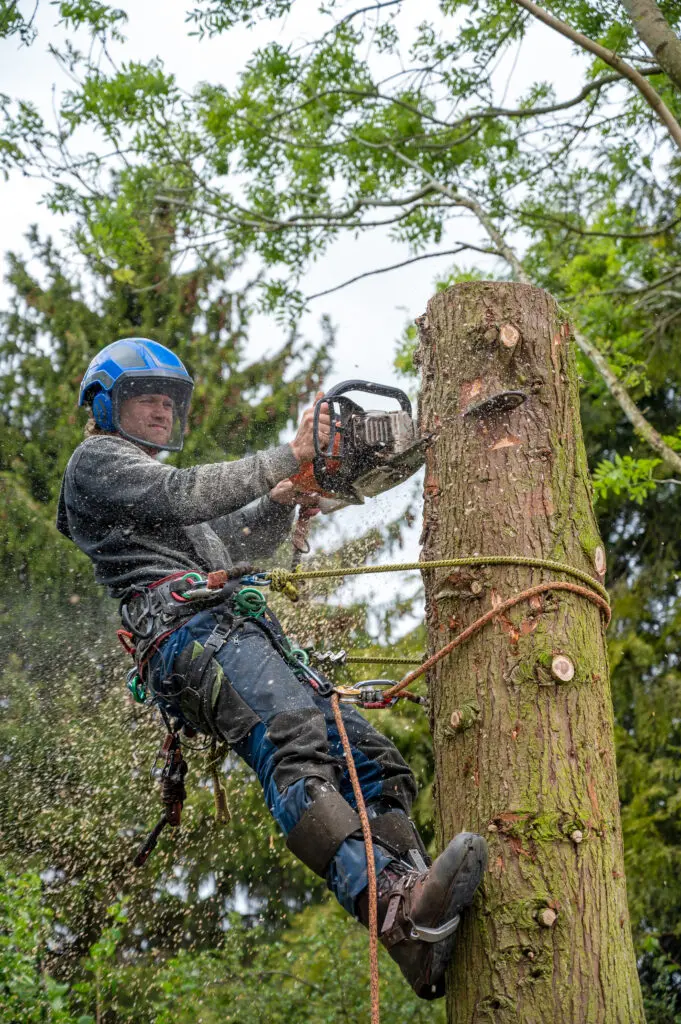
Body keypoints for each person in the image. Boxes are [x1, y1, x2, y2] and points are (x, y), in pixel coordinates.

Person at [56, 337, 487, 1000]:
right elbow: (186, 494)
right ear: (106, 403)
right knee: (293, 739)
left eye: (170, 400)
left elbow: (226, 545)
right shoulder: (99, 463)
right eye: (146, 396)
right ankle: (393, 913)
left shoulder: (147, 494)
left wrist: (283, 499)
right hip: (189, 639)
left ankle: (421, 904)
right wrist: (291, 455)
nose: (162, 410)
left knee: (370, 758)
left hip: (236, 630)